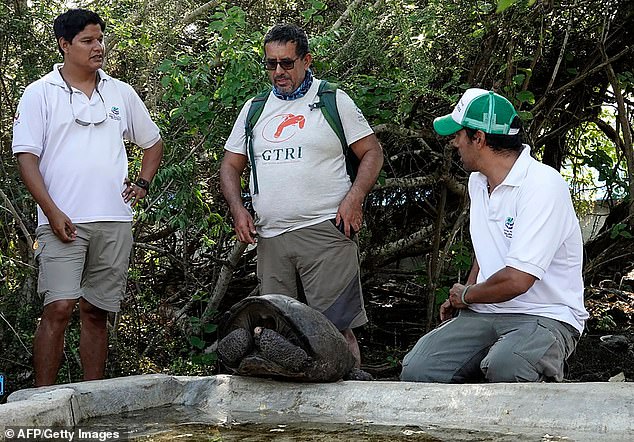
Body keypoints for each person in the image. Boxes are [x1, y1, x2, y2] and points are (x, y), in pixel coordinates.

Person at [12, 9, 163, 386]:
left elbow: (153, 142)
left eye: (100, 39)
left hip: (113, 219)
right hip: (62, 221)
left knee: (97, 312)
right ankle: (42, 402)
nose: (98, 47)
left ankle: (93, 399)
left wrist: (141, 184)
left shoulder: (119, 91)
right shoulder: (39, 93)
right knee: (59, 307)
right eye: (88, 41)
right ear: (65, 45)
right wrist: (52, 211)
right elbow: (25, 158)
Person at [220, 24, 383, 369]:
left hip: (325, 229)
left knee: (338, 329)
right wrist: (238, 210)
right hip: (271, 237)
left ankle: (350, 402)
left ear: (307, 60)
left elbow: (372, 152)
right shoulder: (255, 108)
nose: (278, 71)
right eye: (270, 64)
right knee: (273, 332)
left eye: (287, 63)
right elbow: (230, 166)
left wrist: (355, 198)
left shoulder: (331, 100)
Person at [400, 88, 588, 383]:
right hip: (485, 312)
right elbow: (486, 244)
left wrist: (466, 294)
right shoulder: (478, 182)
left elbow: (518, 280)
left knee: (507, 367)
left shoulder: (542, 185)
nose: (454, 142)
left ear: (479, 139)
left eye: (459, 134)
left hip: (546, 315)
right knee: (419, 369)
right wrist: (470, 290)